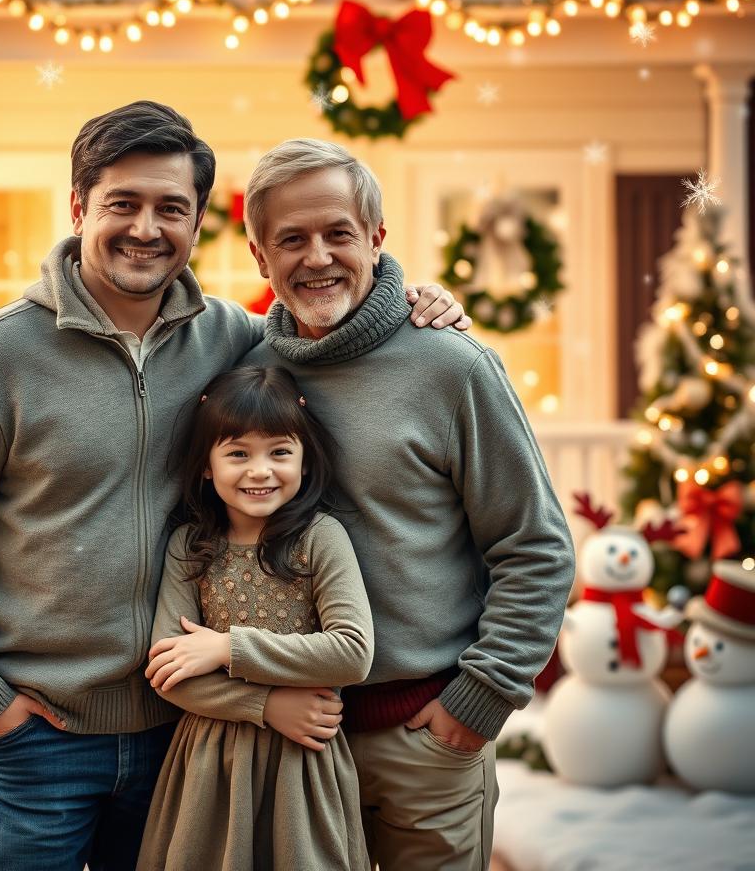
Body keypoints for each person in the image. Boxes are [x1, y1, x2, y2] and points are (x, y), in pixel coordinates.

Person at [0, 102, 469, 871]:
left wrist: (413, 301)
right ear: (80, 207)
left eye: (172, 209)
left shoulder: (234, 339)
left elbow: (330, 315)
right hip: (38, 741)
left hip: (181, 736)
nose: (146, 229)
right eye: (123, 203)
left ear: (198, 226)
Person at [220, 138, 575, 871]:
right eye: (292, 239)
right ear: (260, 258)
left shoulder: (453, 367)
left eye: (338, 233)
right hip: (289, 741)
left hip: (426, 736)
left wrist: (477, 704)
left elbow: (535, 547)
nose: (317, 256)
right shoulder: (249, 375)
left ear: (377, 239)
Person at [137, 366, 374, 871]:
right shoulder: (189, 546)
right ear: (206, 465)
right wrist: (267, 705)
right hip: (208, 769)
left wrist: (227, 649)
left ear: (305, 461)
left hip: (302, 766)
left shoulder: (320, 538)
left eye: (280, 452)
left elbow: (352, 653)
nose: (260, 470)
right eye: (238, 453)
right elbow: (168, 675)